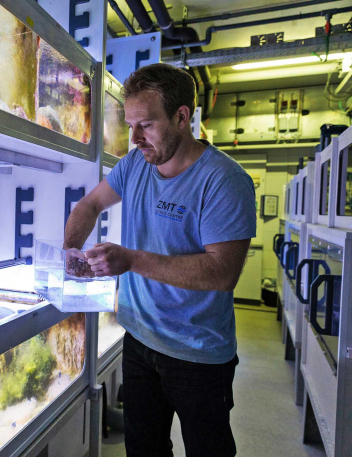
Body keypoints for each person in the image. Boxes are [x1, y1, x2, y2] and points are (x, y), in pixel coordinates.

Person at [63, 63, 256, 457]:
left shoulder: (224, 181)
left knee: (209, 450)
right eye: (130, 125)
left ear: (182, 117)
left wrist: (130, 260)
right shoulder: (136, 164)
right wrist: (70, 252)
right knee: (144, 448)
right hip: (139, 339)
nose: (134, 139)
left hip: (197, 353)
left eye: (146, 125)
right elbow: (89, 204)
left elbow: (222, 273)